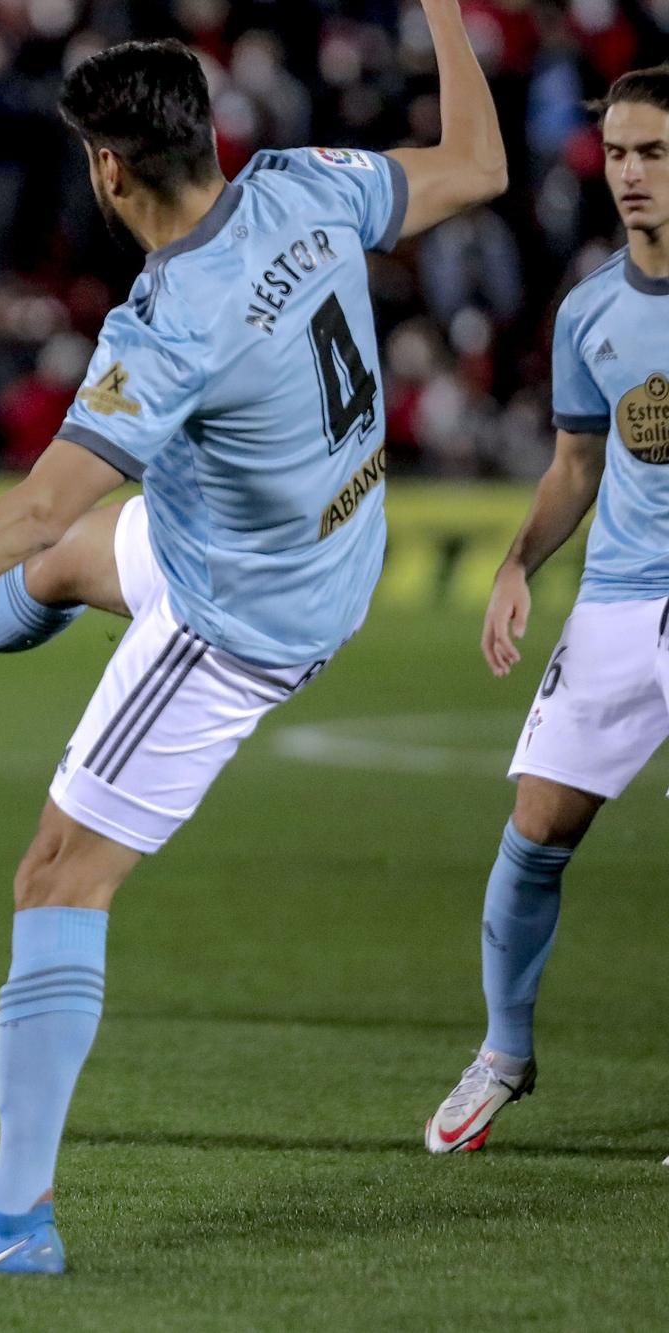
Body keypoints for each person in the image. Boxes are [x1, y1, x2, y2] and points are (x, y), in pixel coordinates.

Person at [0, 6, 505, 1273]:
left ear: (107, 167)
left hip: (237, 619)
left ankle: (14, 1218)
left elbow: (38, 496)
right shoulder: (299, 184)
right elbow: (480, 166)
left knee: (55, 874)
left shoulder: (165, 326)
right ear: (206, 136)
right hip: (325, 542)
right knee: (69, 562)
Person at [424, 65, 669, 1154]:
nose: (628, 176)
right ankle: (502, 1053)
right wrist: (517, 559)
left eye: (651, 154)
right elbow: (576, 462)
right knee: (532, 834)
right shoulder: (590, 309)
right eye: (615, 154)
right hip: (618, 601)